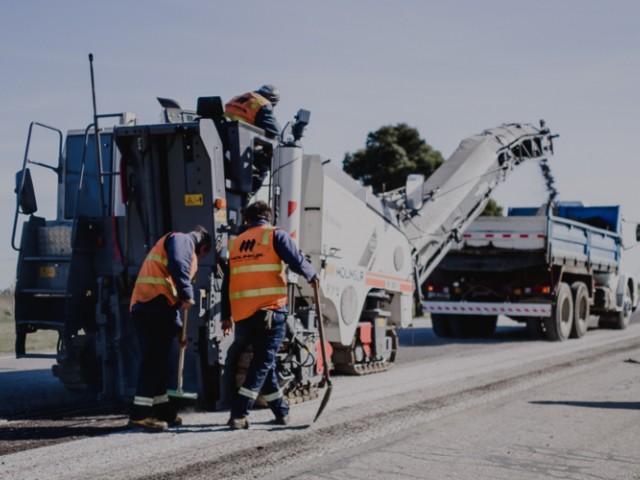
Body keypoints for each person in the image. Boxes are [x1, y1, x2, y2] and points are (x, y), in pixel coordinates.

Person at [222, 201, 318, 430]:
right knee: (263, 362)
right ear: (269, 217)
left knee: (266, 364)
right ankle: (238, 413)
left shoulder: (235, 244)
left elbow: (228, 282)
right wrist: (312, 275)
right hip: (270, 312)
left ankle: (281, 412)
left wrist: (226, 315)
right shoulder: (274, 235)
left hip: (244, 315)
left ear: (247, 220)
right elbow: (296, 260)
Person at [128, 226, 212, 432]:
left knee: (158, 362)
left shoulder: (179, 247)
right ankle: (140, 415)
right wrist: (187, 293)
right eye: (201, 256)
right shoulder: (182, 240)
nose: (198, 260)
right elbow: (177, 264)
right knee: (153, 361)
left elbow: (170, 297)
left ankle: (163, 410)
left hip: (152, 307)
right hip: (152, 305)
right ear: (202, 246)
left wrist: (178, 331)